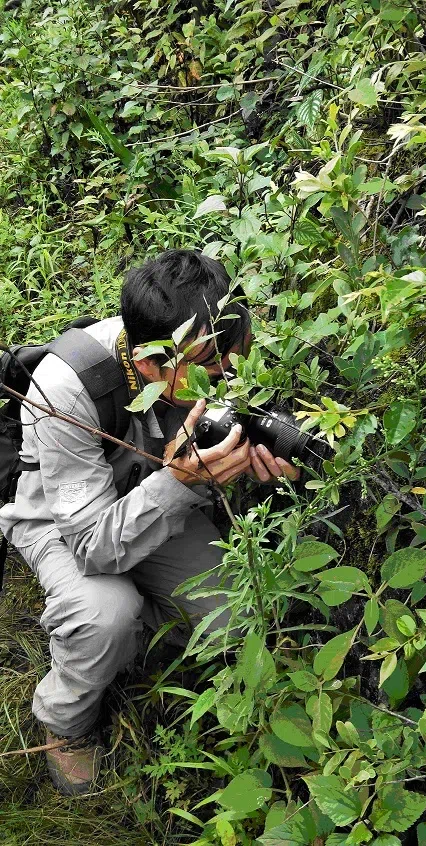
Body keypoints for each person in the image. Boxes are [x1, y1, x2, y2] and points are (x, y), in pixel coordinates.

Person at [0, 249, 299, 795]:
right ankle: (66, 722)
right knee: (104, 614)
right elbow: (92, 546)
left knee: (233, 614)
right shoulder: (65, 386)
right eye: (211, 373)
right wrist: (181, 483)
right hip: (64, 522)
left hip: (154, 490)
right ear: (145, 365)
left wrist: (264, 462)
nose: (227, 380)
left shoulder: (219, 342)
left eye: (235, 363)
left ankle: (120, 646)